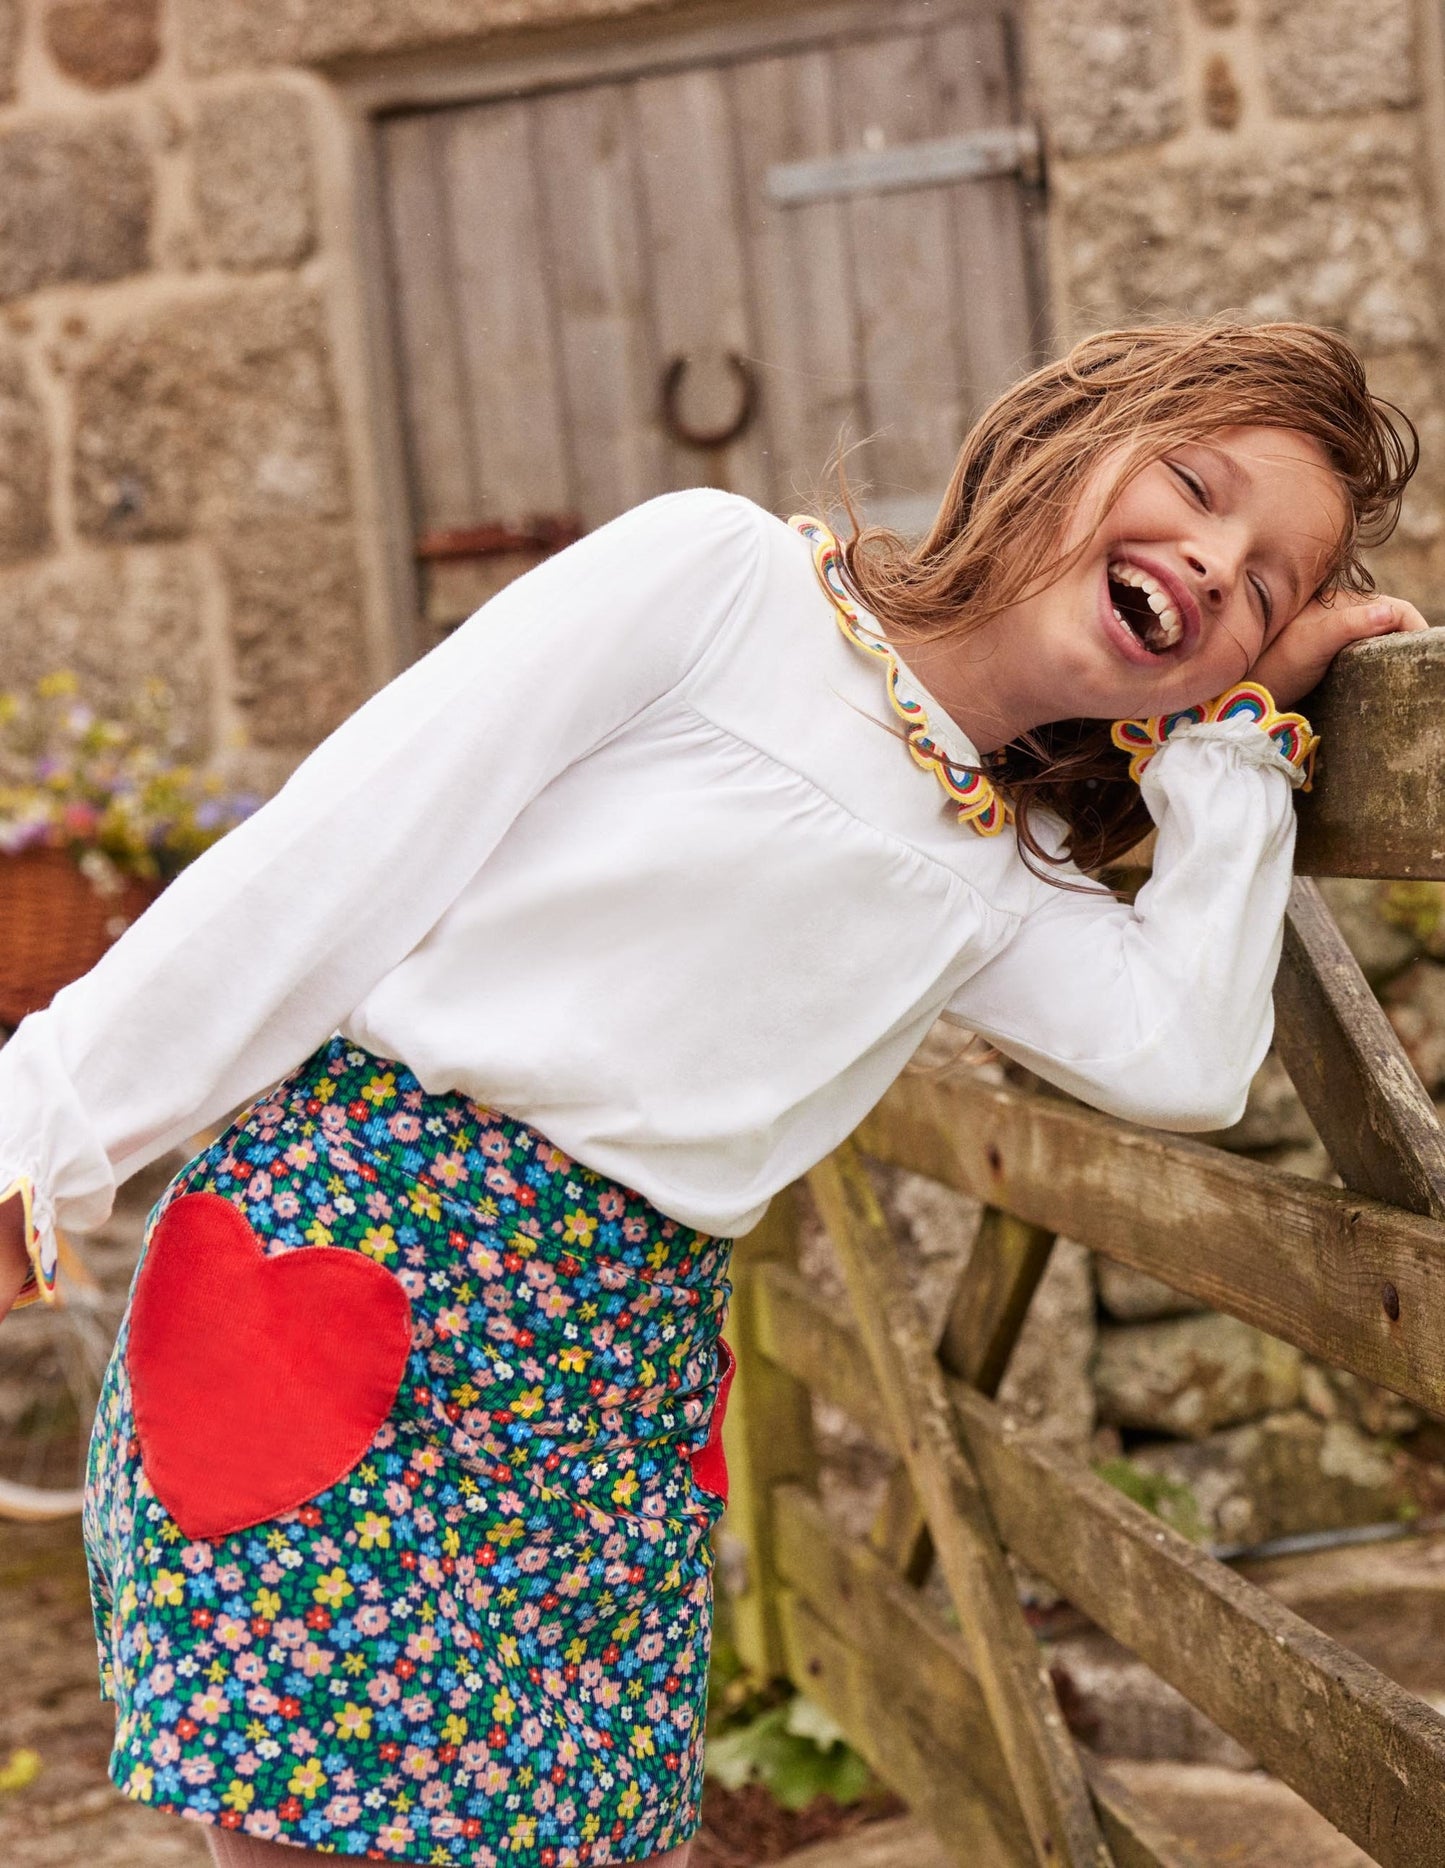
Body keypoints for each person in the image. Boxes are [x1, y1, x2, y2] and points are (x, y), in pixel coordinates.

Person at [0, 320, 1426, 1868]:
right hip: (358, 1284)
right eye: (1195, 486)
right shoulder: (715, 584)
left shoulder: (995, 869)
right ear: (1065, 441)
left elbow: (1187, 1054)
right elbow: (327, 860)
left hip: (607, 1400)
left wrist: (1230, 749)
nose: (1217, 562)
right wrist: (43, 1137)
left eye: (1267, 585)